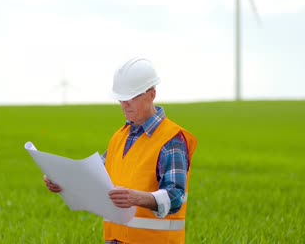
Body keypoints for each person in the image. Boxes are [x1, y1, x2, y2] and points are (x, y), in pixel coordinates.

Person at [44, 57, 197, 244]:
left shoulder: (171, 140)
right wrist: (62, 182)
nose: (125, 104)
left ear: (151, 94)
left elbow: (176, 195)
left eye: (131, 97)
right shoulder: (119, 137)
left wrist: (138, 198)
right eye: (121, 98)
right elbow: (92, 176)